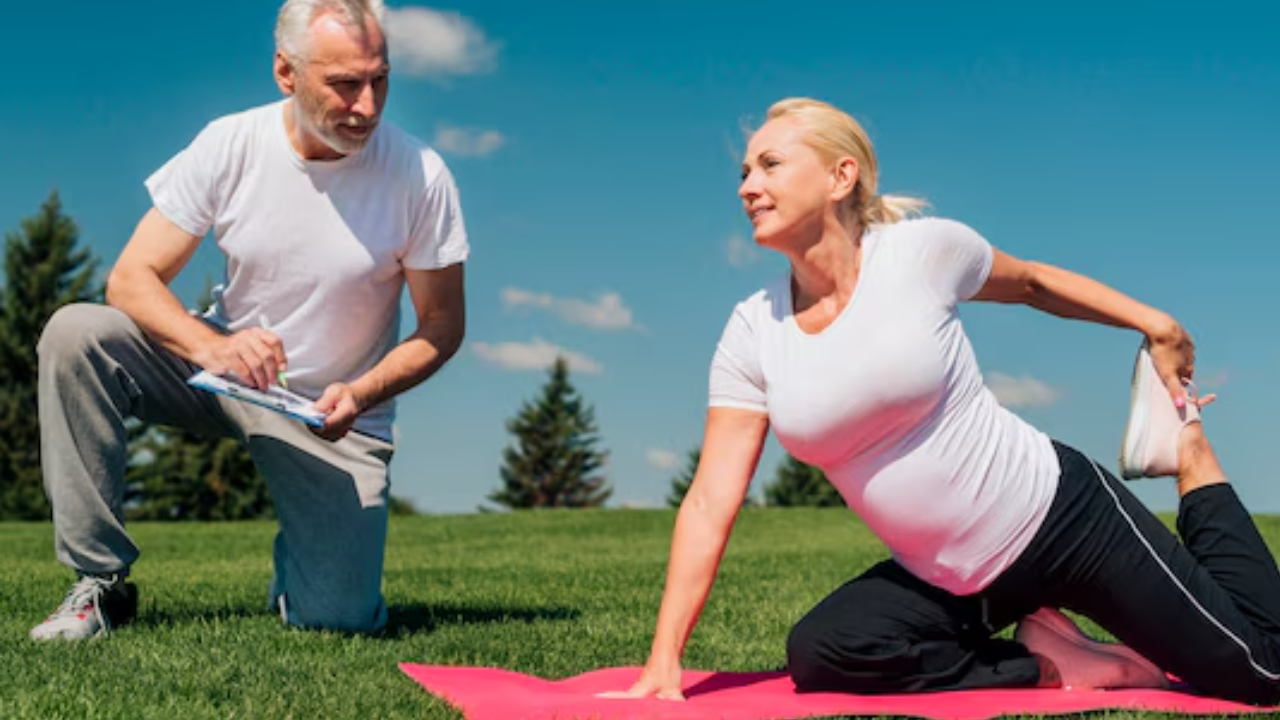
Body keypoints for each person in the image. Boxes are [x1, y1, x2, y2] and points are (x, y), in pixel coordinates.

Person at [614, 98, 1280, 705]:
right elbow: (709, 501)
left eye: (769, 165)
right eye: (743, 172)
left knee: (1263, 671)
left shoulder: (919, 253)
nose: (748, 187)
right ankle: (1047, 662)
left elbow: (1035, 284)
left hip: (1065, 521)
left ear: (841, 176)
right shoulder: (752, 331)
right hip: (958, 583)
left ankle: (1195, 459)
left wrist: (1155, 324)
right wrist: (665, 661)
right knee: (825, 650)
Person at [30, 0, 468, 639]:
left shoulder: (420, 175)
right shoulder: (230, 143)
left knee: (337, 620)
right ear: (286, 73)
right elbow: (130, 279)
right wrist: (211, 347)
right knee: (75, 333)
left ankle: (301, 565)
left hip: (332, 414)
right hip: (222, 373)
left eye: (380, 80)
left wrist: (364, 391)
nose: (368, 106)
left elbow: (442, 326)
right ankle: (100, 582)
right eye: (345, 84)